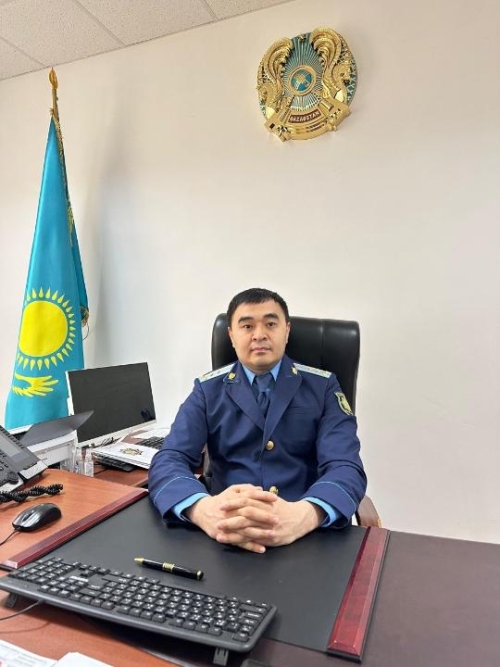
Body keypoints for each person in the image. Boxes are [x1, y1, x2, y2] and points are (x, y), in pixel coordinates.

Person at [149, 288, 367, 553]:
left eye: (271, 324)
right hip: (224, 536)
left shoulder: (322, 387)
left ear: (286, 331)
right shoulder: (208, 390)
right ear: (231, 335)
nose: (259, 334)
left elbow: (346, 466)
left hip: (304, 536)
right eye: (247, 326)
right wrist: (202, 510)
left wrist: (306, 515)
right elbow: (170, 458)